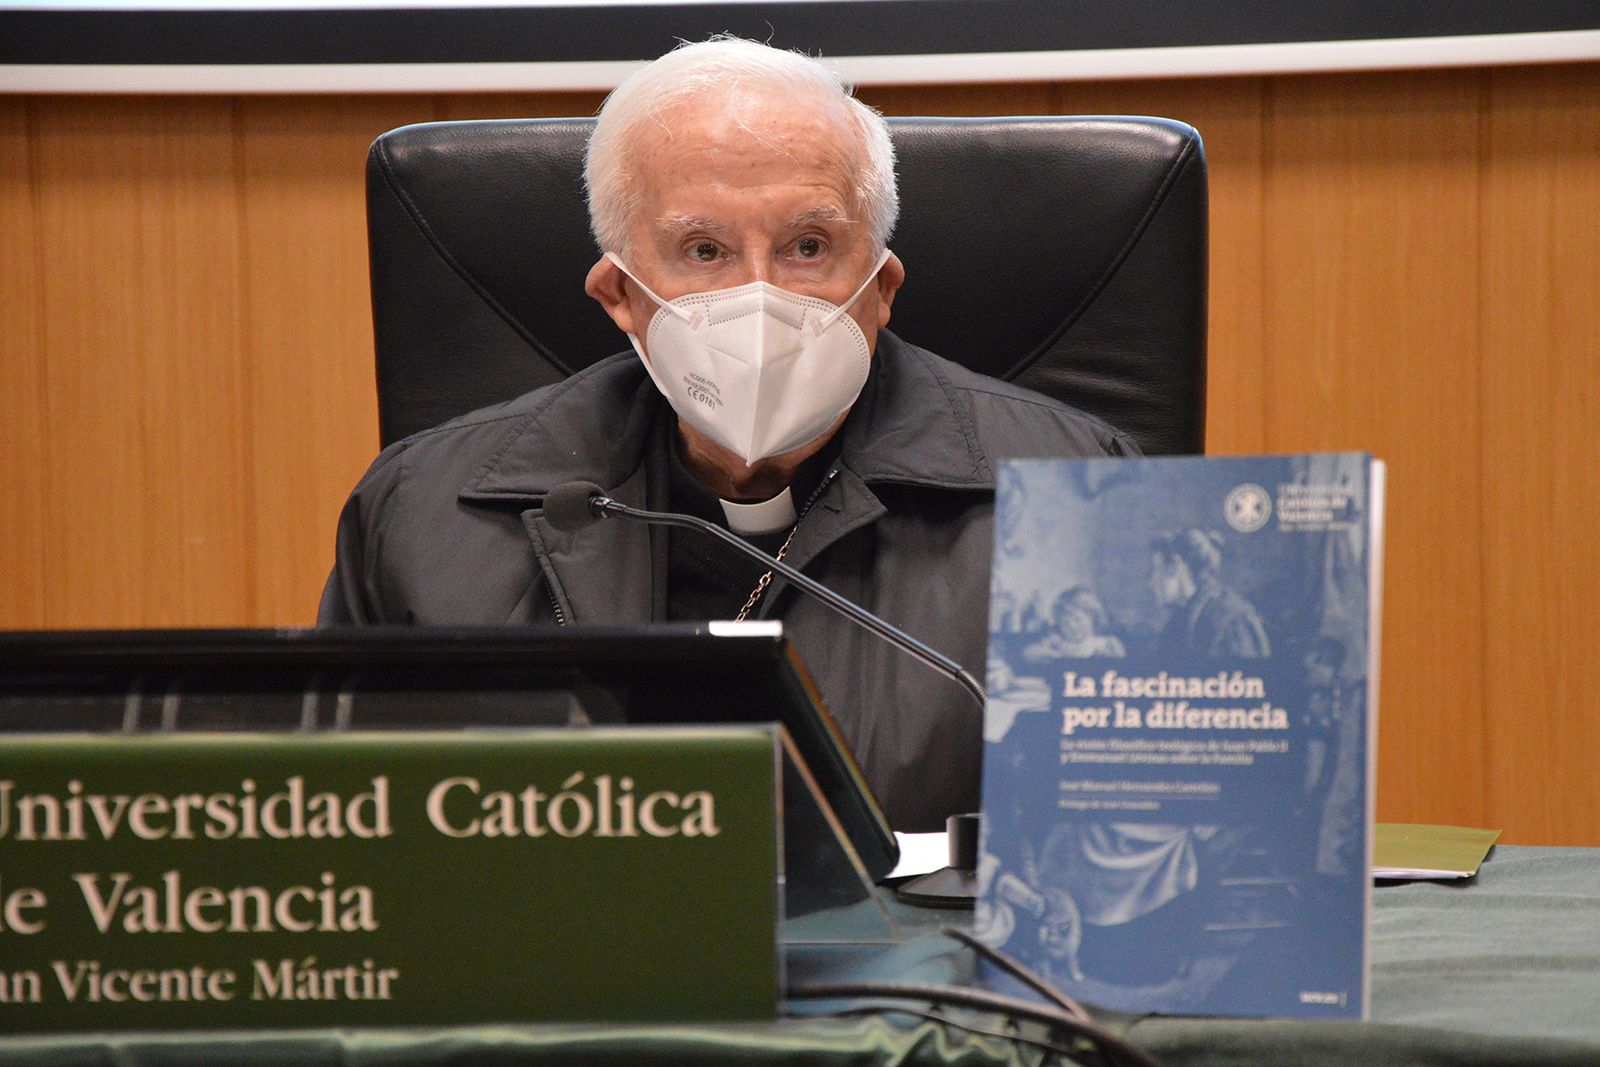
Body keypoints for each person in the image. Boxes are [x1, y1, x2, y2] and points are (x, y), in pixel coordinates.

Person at [319, 37, 1138, 831]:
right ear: (621, 296)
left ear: (881, 286)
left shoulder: (1077, 503)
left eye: (808, 247)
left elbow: (1140, 846)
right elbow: (350, 845)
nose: (760, 297)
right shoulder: (425, 519)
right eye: (703, 250)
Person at [1148, 528, 1270, 658]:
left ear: (1176, 565)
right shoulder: (1179, 622)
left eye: (1156, 570)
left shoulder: (1230, 619)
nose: (1151, 581)